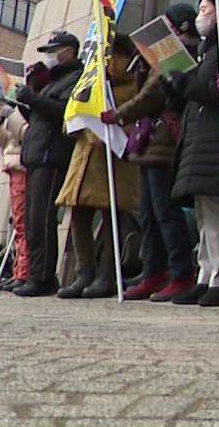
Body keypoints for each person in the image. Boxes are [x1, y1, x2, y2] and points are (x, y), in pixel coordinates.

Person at [113, 4, 200, 302]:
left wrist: (118, 114)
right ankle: (153, 271)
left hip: (165, 143)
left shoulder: (181, 56)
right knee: (149, 213)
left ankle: (180, 273)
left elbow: (152, 96)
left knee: (165, 211)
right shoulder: (155, 59)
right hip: (151, 142)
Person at [55, 34, 143, 299]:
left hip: (113, 161)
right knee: (79, 215)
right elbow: (72, 113)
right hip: (85, 156)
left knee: (111, 218)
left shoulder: (134, 86)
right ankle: (85, 271)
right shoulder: (92, 82)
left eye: (114, 56)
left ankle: (107, 274)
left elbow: (133, 121)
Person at [168, 0, 219, 308]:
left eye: (206, 8)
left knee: (216, 212)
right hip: (198, 139)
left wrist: (189, 85)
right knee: (204, 214)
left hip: (215, 140)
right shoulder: (206, 50)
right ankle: (206, 275)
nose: (201, 16)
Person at [10, 32, 83, 298]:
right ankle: (34, 272)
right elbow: (41, 112)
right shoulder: (53, 81)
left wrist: (33, 98)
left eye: (55, 50)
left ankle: (42, 277)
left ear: (69, 51)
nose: (50, 56)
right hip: (36, 154)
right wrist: (23, 101)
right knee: (31, 220)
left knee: (41, 219)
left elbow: (63, 111)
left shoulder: (75, 78)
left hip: (51, 155)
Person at [0, 95, 32, 291]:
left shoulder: (25, 110)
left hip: (23, 166)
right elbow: (5, 141)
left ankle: (24, 271)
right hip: (13, 165)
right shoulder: (14, 111)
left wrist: (13, 116)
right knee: (17, 222)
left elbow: (27, 134)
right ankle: (18, 270)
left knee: (22, 222)